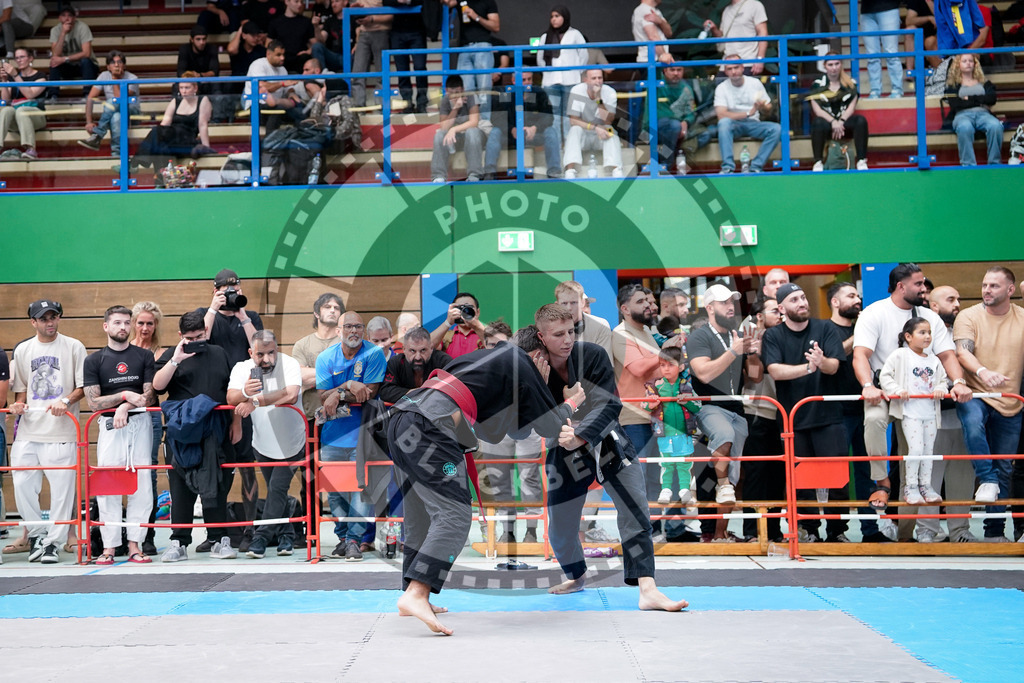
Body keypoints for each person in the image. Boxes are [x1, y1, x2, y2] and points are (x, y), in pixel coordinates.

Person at [385, 320, 585, 635]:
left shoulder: (487, 358)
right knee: (454, 515)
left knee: (421, 514)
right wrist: (572, 399)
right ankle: (417, 593)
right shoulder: (524, 363)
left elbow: (494, 430)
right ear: (539, 355)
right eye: (555, 352)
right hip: (430, 429)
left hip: (402, 420)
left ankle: (412, 591)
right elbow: (549, 428)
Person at [530, 304, 688, 610]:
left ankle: (647, 588)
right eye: (558, 334)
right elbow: (533, 422)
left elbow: (610, 405)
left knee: (635, 510)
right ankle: (576, 575)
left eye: (571, 331)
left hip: (607, 442)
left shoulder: (592, 354)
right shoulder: (535, 368)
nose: (567, 339)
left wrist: (578, 432)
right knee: (561, 527)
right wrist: (549, 401)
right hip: (563, 451)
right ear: (542, 336)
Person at [853, 263, 971, 514]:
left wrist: (958, 382)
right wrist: (868, 386)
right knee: (873, 420)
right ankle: (881, 481)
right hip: (885, 388)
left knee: (916, 451)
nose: (924, 289)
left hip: (920, 392)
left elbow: (948, 355)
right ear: (900, 286)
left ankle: (908, 528)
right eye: (918, 284)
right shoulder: (875, 312)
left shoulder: (930, 317)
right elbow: (860, 355)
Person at [763, 283, 849, 543]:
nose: (802, 302)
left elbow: (834, 366)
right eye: (794, 300)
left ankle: (837, 531)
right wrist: (808, 368)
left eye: (803, 297)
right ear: (781, 308)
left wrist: (821, 362)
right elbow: (775, 370)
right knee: (800, 480)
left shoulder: (825, 328)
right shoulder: (773, 336)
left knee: (836, 477)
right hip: (793, 420)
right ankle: (807, 529)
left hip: (828, 416)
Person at [153, 311, 237, 562]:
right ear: (181, 336)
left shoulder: (220, 353)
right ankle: (178, 542)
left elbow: (231, 390)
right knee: (180, 488)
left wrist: (237, 423)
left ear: (207, 332)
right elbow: (157, 386)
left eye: (200, 336)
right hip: (182, 433)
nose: (196, 341)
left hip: (216, 429)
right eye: (190, 338)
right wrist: (176, 359)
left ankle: (219, 539)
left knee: (217, 485)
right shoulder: (171, 354)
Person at [7, 299, 86, 564]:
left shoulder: (74, 346)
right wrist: (18, 405)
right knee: (21, 485)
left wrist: (66, 401)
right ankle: (38, 536)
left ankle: (53, 543)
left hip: (62, 433)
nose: (50, 322)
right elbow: (21, 391)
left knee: (63, 492)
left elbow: (82, 386)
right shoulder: (23, 350)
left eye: (54, 317)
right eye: (44, 318)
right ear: (33, 322)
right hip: (28, 432)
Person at [194, 268, 264, 551]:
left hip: (244, 398)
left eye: (235, 288)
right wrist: (213, 308)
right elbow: (201, 339)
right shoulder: (205, 313)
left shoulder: (250, 316)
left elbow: (258, 347)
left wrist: (243, 315)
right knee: (216, 470)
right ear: (216, 290)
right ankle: (216, 534)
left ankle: (250, 531)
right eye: (226, 289)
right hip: (215, 399)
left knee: (247, 467)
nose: (232, 293)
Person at [953, 266, 1024, 542]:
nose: (986, 290)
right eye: (984, 285)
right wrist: (983, 372)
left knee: (1006, 466)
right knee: (972, 425)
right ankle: (986, 478)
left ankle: (994, 532)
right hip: (975, 393)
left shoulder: (1020, 317)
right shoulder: (968, 316)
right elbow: (962, 351)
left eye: (994, 285)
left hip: (1010, 400)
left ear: (1010, 290)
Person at [83, 306, 156, 565]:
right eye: (117, 323)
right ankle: (110, 547)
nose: (123, 327)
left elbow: (148, 395)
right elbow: (94, 403)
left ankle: (135, 544)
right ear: (106, 326)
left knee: (142, 484)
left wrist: (125, 406)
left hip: (140, 424)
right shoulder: (94, 361)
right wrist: (124, 396)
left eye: (127, 322)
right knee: (108, 486)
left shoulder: (144, 356)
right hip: (109, 427)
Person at [227, 330, 306, 558]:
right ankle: (286, 536)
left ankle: (260, 538)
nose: (267, 359)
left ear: (277, 349)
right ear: (251, 352)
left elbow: (290, 394)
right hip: (262, 443)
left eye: (272, 352)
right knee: (276, 494)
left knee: (276, 489)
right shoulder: (242, 369)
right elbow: (231, 398)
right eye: (261, 354)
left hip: (292, 443)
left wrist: (254, 401)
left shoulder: (289, 364)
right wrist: (244, 392)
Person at [315, 310, 386, 560]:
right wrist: (345, 386)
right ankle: (343, 537)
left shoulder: (374, 354)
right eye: (348, 327)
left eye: (358, 326)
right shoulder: (325, 358)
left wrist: (339, 394)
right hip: (332, 436)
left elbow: (369, 391)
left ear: (364, 330)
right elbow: (322, 396)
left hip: (363, 435)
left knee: (360, 490)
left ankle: (355, 539)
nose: (353, 331)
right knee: (334, 491)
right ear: (338, 331)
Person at [687, 283, 762, 511]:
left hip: (736, 409)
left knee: (734, 473)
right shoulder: (699, 337)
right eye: (724, 303)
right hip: (708, 405)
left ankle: (722, 533)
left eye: (732, 302)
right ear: (710, 307)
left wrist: (753, 354)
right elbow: (703, 372)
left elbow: (756, 378)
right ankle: (719, 492)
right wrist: (734, 352)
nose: (731, 307)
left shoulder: (737, 336)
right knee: (724, 436)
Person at [879, 317, 947, 507]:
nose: (927, 336)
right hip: (910, 413)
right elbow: (885, 376)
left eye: (929, 333)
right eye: (922, 332)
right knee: (915, 449)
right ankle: (911, 486)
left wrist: (941, 389)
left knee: (928, 451)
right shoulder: (900, 355)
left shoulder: (934, 359)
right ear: (908, 336)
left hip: (930, 413)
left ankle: (926, 485)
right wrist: (897, 390)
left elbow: (943, 380)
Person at [926, 284, 976, 543]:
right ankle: (926, 531)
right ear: (934, 306)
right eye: (950, 299)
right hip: (931, 415)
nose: (957, 304)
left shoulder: (965, 331)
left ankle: (959, 530)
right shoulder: (923, 333)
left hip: (965, 414)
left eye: (958, 299)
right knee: (929, 476)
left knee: (962, 476)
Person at [129, 301, 166, 556]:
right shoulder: (122, 350)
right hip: (121, 416)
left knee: (148, 473)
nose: (145, 328)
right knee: (122, 471)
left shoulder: (161, 353)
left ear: (156, 326)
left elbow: (154, 390)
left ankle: (148, 534)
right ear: (133, 324)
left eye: (149, 323)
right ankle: (125, 534)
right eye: (140, 322)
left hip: (150, 415)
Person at [642, 346, 699, 505]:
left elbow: (697, 407)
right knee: (666, 463)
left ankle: (685, 490)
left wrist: (688, 403)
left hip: (684, 432)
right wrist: (651, 405)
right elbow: (644, 406)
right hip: (664, 433)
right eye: (662, 365)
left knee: (684, 463)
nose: (666, 369)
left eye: (671, 365)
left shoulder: (687, 385)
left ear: (681, 367)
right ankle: (665, 489)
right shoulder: (655, 386)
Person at [127, 75, 213, 178]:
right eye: (181, 88)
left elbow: (202, 124)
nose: (184, 91)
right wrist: (158, 138)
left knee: (157, 131)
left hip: (188, 139)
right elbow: (165, 122)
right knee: (161, 145)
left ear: (195, 88)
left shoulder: (203, 100)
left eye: (187, 87)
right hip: (173, 137)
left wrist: (206, 146)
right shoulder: (175, 101)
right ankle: (162, 182)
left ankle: (134, 164)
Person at [483, 70, 561, 179]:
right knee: (495, 132)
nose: (527, 82)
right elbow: (496, 118)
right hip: (510, 135)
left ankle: (554, 172)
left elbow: (549, 116)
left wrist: (535, 128)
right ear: (513, 81)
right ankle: (489, 173)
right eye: (523, 80)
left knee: (551, 132)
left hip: (533, 134)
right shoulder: (505, 93)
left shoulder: (539, 93)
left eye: (529, 79)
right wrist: (511, 129)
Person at [714, 56, 779, 174]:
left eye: (736, 67)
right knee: (724, 123)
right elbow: (721, 115)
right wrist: (748, 113)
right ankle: (727, 167)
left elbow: (768, 108)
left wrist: (763, 107)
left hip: (754, 124)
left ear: (743, 67)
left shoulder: (754, 83)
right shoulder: (721, 88)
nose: (733, 72)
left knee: (776, 129)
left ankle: (756, 167)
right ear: (725, 71)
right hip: (734, 125)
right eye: (729, 69)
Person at [807, 56, 869, 171]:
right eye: (830, 65)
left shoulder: (850, 83)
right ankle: (818, 162)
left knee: (860, 121)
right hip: (827, 124)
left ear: (841, 65)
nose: (834, 68)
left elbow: (852, 106)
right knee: (817, 122)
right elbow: (817, 110)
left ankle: (861, 161)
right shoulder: (817, 84)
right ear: (824, 66)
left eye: (837, 64)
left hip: (844, 124)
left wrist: (841, 121)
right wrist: (833, 122)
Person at [536, 5, 586, 147]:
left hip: (571, 80)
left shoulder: (575, 34)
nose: (554, 19)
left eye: (557, 16)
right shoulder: (545, 36)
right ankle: (556, 147)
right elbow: (540, 59)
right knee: (555, 115)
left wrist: (576, 72)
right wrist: (548, 72)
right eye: (552, 16)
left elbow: (583, 56)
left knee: (569, 115)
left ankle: (570, 147)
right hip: (551, 81)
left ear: (565, 17)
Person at [442, 0, 500, 120]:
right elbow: (446, 2)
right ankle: (470, 123)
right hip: (464, 48)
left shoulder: (489, 2)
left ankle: (484, 123)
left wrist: (476, 17)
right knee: (466, 90)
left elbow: (496, 26)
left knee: (484, 90)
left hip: (483, 46)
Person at [651, 63, 712, 175]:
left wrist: (686, 122)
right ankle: (667, 164)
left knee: (706, 134)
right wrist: (661, 56)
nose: (676, 73)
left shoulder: (686, 88)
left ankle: (680, 152)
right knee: (673, 125)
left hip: (679, 128)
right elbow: (653, 69)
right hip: (656, 128)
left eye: (679, 70)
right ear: (664, 71)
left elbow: (690, 112)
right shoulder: (657, 83)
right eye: (672, 70)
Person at [944, 52, 1003, 167]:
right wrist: (981, 100)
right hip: (962, 115)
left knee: (995, 126)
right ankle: (968, 165)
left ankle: (994, 163)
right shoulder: (953, 85)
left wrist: (969, 99)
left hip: (984, 114)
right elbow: (955, 104)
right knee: (964, 128)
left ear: (975, 64)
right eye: (964, 61)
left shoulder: (984, 83)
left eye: (971, 61)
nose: (968, 64)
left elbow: (992, 99)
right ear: (958, 65)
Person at [563, 68, 623, 179]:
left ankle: (616, 169)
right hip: (585, 134)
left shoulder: (610, 92)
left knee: (610, 129)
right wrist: (595, 127)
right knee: (574, 129)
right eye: (594, 78)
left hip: (602, 134)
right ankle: (570, 169)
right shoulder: (576, 90)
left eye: (600, 78)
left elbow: (608, 121)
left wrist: (598, 98)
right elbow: (573, 120)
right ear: (586, 80)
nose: (597, 81)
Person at [78, 51, 140, 157]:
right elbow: (90, 98)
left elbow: (120, 98)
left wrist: (115, 79)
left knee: (113, 101)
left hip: (132, 112)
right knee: (116, 117)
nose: (116, 65)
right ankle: (117, 153)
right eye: (113, 62)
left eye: (119, 62)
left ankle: (98, 134)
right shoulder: (104, 76)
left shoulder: (132, 78)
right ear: (108, 67)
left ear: (124, 65)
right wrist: (89, 121)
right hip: (113, 112)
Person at [430, 75, 484, 182]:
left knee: (472, 132)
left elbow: (474, 122)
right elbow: (444, 127)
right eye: (451, 93)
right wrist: (455, 108)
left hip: (473, 138)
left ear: (463, 89)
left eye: (457, 92)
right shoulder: (445, 101)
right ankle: (438, 176)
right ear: (446, 91)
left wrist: (454, 129)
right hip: (455, 139)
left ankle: (474, 175)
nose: (454, 96)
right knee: (439, 135)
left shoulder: (471, 97)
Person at [0, 47, 45, 160]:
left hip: (36, 117)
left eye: (22, 57)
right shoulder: (12, 78)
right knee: (6, 110)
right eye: (16, 58)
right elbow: (4, 101)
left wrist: (15, 76)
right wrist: (4, 81)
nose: (19, 60)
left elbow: (30, 94)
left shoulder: (40, 77)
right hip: (17, 119)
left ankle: (31, 149)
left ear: (30, 58)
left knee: (21, 111)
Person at [383, 0, 428, 113]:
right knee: (402, 70)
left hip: (417, 29)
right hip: (397, 31)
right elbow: (386, 2)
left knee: (420, 67)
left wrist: (409, 0)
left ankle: (422, 102)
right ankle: (407, 103)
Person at [705, 0, 768, 75]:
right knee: (719, 84)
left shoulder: (755, 5)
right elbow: (722, 37)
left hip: (747, 62)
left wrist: (760, 59)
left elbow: (763, 32)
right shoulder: (727, 10)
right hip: (727, 63)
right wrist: (714, 28)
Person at [47, 5, 97, 98]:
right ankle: (53, 95)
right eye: (63, 15)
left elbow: (86, 53)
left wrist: (65, 59)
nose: (67, 18)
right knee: (54, 63)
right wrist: (63, 33)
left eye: (69, 15)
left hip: (86, 67)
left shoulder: (82, 27)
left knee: (85, 61)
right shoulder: (55, 30)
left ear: (74, 18)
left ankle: (87, 94)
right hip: (68, 68)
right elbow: (56, 55)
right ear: (59, 18)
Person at [555, 280, 612, 362]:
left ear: (582, 303)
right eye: (564, 303)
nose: (569, 308)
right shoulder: (550, 328)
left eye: (573, 302)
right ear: (557, 305)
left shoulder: (600, 325)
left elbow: (605, 365)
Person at [348, 0, 390, 107]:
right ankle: (358, 105)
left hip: (381, 31)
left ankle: (381, 106)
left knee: (382, 73)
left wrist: (372, 18)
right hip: (363, 33)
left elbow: (391, 14)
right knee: (357, 72)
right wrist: (356, 11)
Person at [858, 0, 903, 98]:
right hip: (866, 11)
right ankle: (875, 90)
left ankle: (897, 89)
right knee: (871, 55)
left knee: (891, 53)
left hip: (888, 8)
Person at [430, 290, 485, 357]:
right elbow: (427, 347)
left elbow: (498, 350)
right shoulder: (446, 337)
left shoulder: (484, 333)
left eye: (469, 308)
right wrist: (448, 322)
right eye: (460, 308)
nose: (464, 312)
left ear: (478, 312)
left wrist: (477, 326)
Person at [268, 0, 316, 73]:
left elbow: (315, 45)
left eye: (301, 2)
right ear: (287, 2)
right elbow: (268, 44)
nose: (300, 4)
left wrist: (309, 51)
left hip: (301, 61)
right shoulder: (275, 22)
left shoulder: (306, 22)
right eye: (296, 1)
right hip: (281, 60)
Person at [177, 25, 220, 96]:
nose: (202, 42)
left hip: (207, 81)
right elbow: (180, 72)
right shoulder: (184, 49)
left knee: (216, 86)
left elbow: (214, 72)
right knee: (177, 86)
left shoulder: (212, 48)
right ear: (191, 39)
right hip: (190, 81)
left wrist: (200, 75)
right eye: (198, 39)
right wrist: (192, 76)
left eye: (204, 39)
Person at [631, 0, 674, 65]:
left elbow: (669, 33)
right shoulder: (644, 10)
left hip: (657, 59)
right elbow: (653, 36)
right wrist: (663, 55)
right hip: (650, 59)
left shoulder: (655, 11)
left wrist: (661, 22)